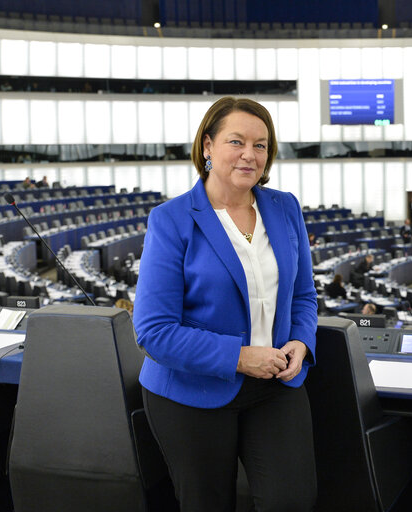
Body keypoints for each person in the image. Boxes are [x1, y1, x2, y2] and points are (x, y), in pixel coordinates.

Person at [133, 97, 317, 511]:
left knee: (293, 501)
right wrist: (238, 357)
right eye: (237, 141)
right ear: (207, 146)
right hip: (191, 391)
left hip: (276, 384)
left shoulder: (285, 208)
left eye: (261, 145)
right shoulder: (171, 219)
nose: (250, 155)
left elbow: (303, 295)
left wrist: (301, 342)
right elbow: (153, 331)